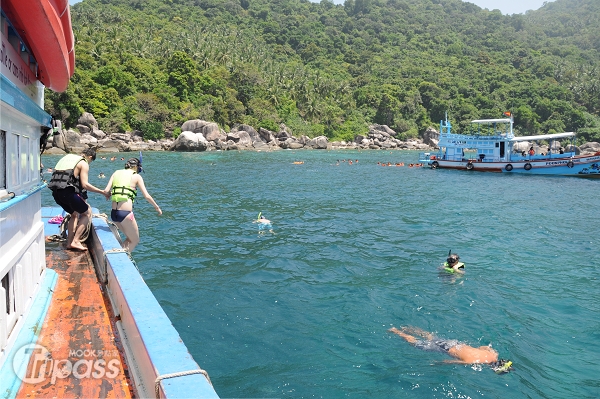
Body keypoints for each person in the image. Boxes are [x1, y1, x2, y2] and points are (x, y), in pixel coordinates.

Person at [47, 148, 109, 250]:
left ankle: (69, 242)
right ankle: (76, 241)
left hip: (56, 194)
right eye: (91, 161)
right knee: (87, 213)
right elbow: (85, 185)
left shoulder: (67, 158)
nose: (89, 164)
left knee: (74, 214)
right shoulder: (83, 163)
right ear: (90, 157)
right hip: (68, 193)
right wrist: (102, 192)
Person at [389, 326, 513, 373]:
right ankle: (396, 331)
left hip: (455, 343)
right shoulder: (473, 362)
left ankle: (407, 328)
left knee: (431, 337)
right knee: (416, 343)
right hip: (446, 350)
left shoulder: (492, 352)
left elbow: (482, 347)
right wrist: (437, 364)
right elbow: (451, 362)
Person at [104, 158, 162, 252]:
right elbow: (147, 196)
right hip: (125, 214)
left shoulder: (116, 173)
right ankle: (122, 261)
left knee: (129, 238)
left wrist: (113, 193)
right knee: (135, 240)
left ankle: (121, 254)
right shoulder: (137, 177)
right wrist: (157, 207)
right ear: (136, 167)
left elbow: (106, 191)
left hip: (114, 214)